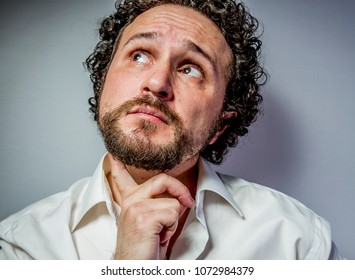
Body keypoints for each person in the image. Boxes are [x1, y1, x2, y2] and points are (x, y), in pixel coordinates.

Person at [0, 0, 342, 260]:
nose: (157, 82)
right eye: (139, 55)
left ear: (220, 126)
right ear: (103, 84)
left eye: (191, 68)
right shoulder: (21, 245)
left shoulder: (298, 240)